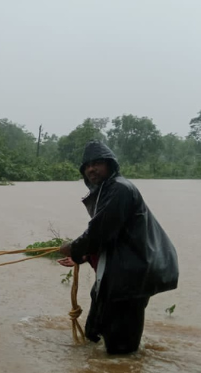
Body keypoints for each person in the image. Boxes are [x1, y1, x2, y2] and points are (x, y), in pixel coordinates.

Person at [58, 141, 178, 355]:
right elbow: (112, 235)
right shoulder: (108, 190)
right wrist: (82, 256)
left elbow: (100, 230)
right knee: (93, 334)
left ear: (110, 165)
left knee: (121, 352)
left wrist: (73, 248)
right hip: (115, 273)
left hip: (130, 278)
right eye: (87, 166)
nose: (91, 169)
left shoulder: (119, 189)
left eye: (97, 164)